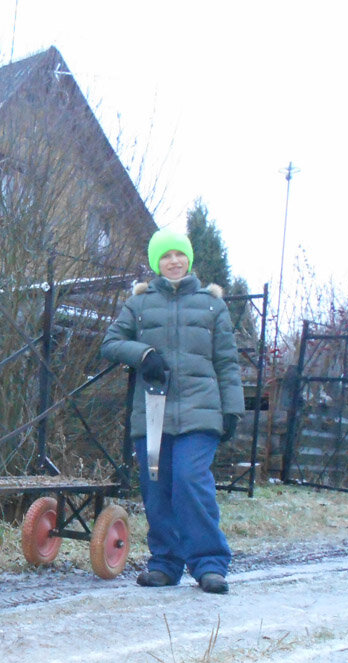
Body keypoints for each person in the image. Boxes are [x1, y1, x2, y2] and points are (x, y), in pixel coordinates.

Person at [100, 230, 242, 594]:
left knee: (190, 480)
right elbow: (111, 343)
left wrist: (232, 410)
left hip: (201, 410)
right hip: (152, 410)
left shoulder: (212, 305)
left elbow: (227, 362)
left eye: (180, 255)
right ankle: (165, 563)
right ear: (155, 263)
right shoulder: (140, 304)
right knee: (157, 488)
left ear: (189, 260)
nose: (174, 261)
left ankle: (210, 563)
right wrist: (143, 354)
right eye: (166, 256)